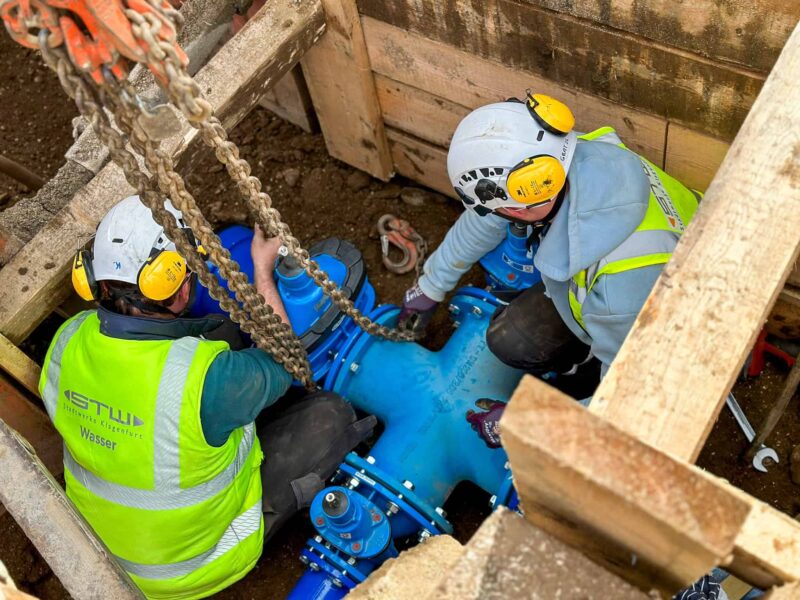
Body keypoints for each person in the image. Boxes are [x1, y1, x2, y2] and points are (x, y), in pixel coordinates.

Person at [39, 195, 374, 599]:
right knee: (330, 414)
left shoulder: (68, 338)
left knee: (220, 345)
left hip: (106, 553)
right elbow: (287, 358)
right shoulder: (206, 380)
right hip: (193, 568)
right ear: (175, 289)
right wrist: (263, 271)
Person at [399, 93, 701, 448]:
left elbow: (628, 403)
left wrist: (524, 426)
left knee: (514, 342)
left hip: (675, 327)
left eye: (504, 209)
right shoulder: (579, 155)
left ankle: (582, 375)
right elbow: (488, 217)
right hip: (684, 252)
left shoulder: (619, 284)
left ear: (524, 204)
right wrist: (432, 283)